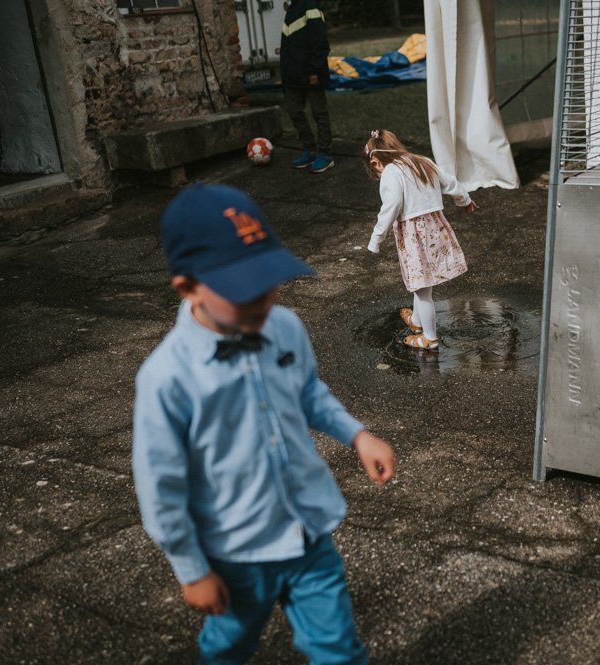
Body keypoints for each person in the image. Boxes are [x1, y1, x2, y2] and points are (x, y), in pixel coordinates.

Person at [133, 183, 396, 664]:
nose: (262, 297)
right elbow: (160, 485)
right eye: (241, 288)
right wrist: (192, 570)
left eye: (269, 277)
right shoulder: (166, 378)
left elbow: (309, 393)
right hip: (236, 552)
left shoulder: (285, 326)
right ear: (187, 287)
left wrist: (357, 435)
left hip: (307, 532)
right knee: (229, 647)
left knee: (338, 647)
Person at [363, 129, 477, 349]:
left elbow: (392, 206)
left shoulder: (391, 171)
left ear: (376, 162)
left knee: (422, 290)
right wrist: (465, 200)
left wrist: (376, 238)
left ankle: (429, 338)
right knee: (422, 282)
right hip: (436, 228)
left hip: (414, 235)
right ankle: (416, 321)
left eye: (375, 171)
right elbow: (450, 182)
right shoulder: (422, 161)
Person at [280, 0, 334, 173]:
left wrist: (314, 71)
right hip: (292, 76)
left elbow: (321, 43)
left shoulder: (311, 6)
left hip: (311, 74)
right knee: (294, 111)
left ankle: (325, 153)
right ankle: (310, 149)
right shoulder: (292, 9)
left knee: (319, 113)